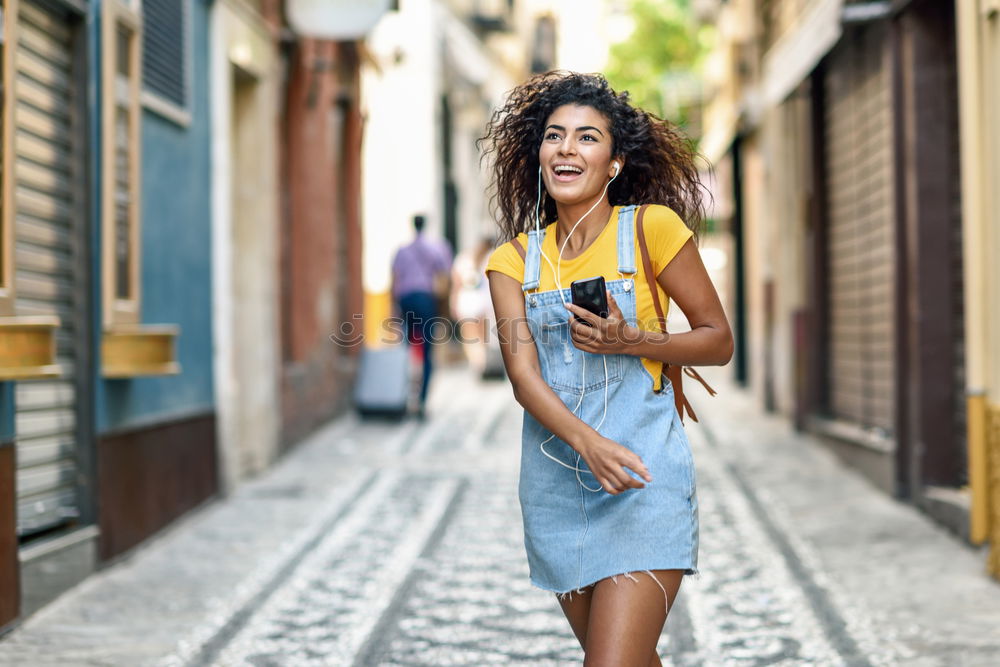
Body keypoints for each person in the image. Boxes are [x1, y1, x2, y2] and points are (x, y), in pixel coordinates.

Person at [482, 72, 733, 665]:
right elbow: (524, 379)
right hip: (557, 488)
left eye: (587, 137)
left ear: (614, 162)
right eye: (554, 136)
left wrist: (633, 339)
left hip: (642, 477)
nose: (567, 148)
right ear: (538, 153)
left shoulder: (653, 230)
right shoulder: (512, 261)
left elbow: (717, 340)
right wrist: (589, 446)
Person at [391, 214, 453, 418]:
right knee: (426, 352)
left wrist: (394, 310)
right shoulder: (436, 248)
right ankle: (422, 401)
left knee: (406, 349)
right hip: (425, 300)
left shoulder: (402, 250)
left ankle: (403, 396)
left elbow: (395, 279)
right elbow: (444, 276)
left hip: (406, 300)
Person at [450, 235, 495, 374]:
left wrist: (453, 303)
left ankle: (477, 363)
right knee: (482, 336)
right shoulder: (488, 258)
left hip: (466, 301)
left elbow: (456, 284)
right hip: (482, 301)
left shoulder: (463, 259)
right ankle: (483, 362)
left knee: (469, 337)